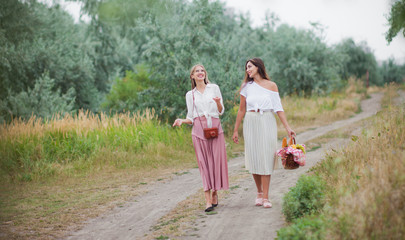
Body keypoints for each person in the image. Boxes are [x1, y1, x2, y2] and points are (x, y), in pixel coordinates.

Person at [232, 58, 295, 208]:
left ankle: (266, 197)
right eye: (246, 68)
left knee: (267, 156)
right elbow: (241, 110)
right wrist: (235, 130)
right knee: (254, 156)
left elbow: (278, 108)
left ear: (258, 67)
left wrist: (287, 127)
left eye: (250, 67)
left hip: (267, 120)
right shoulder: (246, 87)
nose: (247, 70)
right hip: (251, 120)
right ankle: (259, 192)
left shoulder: (271, 86)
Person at [173, 64, 229, 212]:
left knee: (216, 162)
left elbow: (221, 111)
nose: (200, 73)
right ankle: (207, 201)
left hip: (215, 128)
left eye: (202, 70)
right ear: (192, 76)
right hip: (198, 130)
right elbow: (190, 117)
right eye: (197, 71)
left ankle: (215, 192)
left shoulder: (214, 88)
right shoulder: (189, 95)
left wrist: (217, 103)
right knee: (204, 165)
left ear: (205, 74)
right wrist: (182, 121)